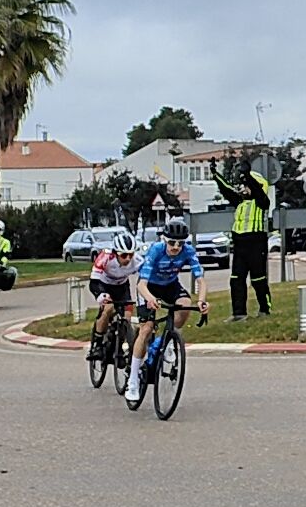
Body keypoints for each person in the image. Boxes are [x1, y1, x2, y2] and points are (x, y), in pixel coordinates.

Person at [128, 218, 209, 402]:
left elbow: (201, 280)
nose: (176, 247)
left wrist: (202, 301)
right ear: (164, 240)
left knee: (185, 303)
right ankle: (132, 381)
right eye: (172, 242)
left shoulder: (188, 251)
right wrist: (150, 299)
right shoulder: (156, 250)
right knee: (147, 328)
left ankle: (167, 341)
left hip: (170, 285)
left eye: (180, 243)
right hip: (149, 287)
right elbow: (141, 284)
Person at [212, 163, 275, 321]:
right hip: (240, 246)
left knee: (258, 279)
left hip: (256, 244)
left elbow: (257, 189)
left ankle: (265, 309)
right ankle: (238, 313)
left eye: (246, 186)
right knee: (236, 280)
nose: (243, 189)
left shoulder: (262, 202)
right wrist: (215, 175)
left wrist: (247, 175)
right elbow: (226, 189)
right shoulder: (240, 202)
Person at [87, 231, 142, 353]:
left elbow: (147, 277)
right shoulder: (105, 257)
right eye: (124, 255)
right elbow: (93, 282)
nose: (128, 259)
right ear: (115, 253)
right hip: (103, 285)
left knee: (127, 317)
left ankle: (120, 347)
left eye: (130, 255)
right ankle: (98, 344)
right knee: (108, 309)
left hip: (122, 286)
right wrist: (101, 295)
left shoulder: (137, 260)